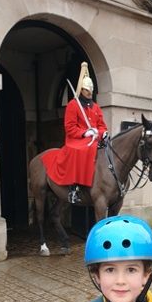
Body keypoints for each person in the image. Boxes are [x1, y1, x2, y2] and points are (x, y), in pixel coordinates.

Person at [41, 62, 108, 204]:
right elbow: (70, 127)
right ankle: (74, 188)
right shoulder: (73, 105)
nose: (89, 94)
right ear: (81, 90)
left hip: (95, 138)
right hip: (76, 139)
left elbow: (102, 125)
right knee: (81, 149)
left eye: (91, 91)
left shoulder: (96, 107)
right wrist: (85, 133)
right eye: (87, 91)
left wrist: (100, 132)